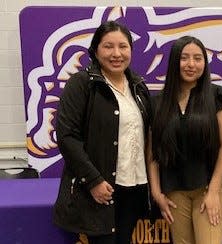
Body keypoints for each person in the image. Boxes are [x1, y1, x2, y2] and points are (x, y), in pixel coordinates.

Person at [53, 20, 151, 244]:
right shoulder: (81, 84)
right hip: (98, 192)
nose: (116, 53)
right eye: (108, 46)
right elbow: (67, 136)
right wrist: (94, 181)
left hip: (132, 187)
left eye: (123, 46)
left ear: (131, 51)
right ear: (95, 50)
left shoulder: (138, 86)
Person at [147, 36, 222, 244]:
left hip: (207, 188)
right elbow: (152, 153)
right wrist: (157, 193)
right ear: (175, 61)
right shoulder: (157, 103)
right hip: (174, 193)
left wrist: (213, 191)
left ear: (205, 62)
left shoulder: (217, 97)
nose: (191, 64)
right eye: (184, 58)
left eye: (197, 58)